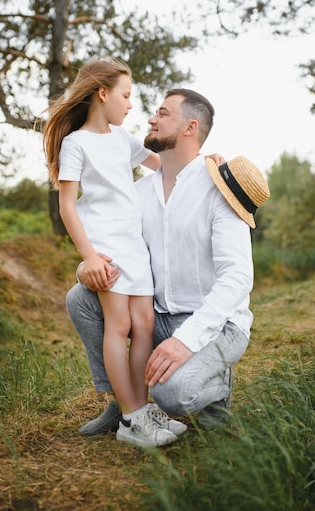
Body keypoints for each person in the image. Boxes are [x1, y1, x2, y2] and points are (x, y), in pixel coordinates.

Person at [67, 87, 270, 437]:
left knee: (171, 393)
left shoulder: (220, 190)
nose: (150, 118)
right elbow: (108, 243)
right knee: (79, 299)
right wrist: (87, 266)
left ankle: (217, 389)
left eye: (163, 113)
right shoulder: (137, 193)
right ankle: (127, 404)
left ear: (190, 128)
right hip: (157, 317)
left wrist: (185, 341)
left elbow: (237, 278)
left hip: (218, 324)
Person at [43, 58, 187, 449]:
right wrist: (89, 256)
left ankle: (142, 408)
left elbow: (166, 166)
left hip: (133, 243)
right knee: (118, 325)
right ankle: (130, 417)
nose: (130, 104)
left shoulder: (124, 140)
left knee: (143, 325)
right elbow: (68, 206)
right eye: (125, 95)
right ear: (102, 93)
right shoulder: (76, 143)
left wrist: (207, 166)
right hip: (106, 245)